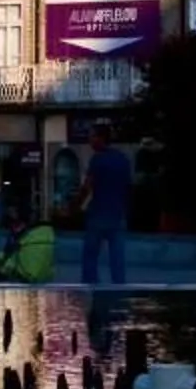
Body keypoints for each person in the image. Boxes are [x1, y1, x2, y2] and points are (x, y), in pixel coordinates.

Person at [76, 120, 134, 287]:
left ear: (101, 138)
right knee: (117, 257)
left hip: (98, 214)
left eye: (92, 136)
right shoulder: (123, 159)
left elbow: (87, 187)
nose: (89, 140)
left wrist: (74, 207)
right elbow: (128, 188)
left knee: (90, 256)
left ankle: (91, 288)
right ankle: (119, 288)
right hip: (117, 214)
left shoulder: (98, 160)